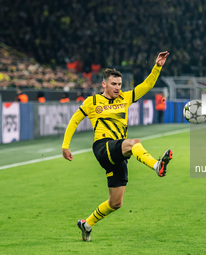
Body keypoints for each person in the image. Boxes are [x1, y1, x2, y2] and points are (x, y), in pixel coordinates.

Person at [62, 51, 172, 242]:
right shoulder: (92, 102)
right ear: (104, 84)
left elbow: (147, 85)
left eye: (120, 84)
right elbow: (74, 121)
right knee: (134, 142)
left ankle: (86, 225)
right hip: (103, 147)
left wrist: (157, 66)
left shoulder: (125, 98)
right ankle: (156, 165)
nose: (117, 88)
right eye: (113, 84)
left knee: (116, 203)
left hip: (119, 152)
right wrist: (65, 146)